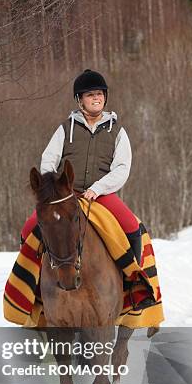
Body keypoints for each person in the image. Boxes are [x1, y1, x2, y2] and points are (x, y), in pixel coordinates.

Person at [22, 69, 142, 263]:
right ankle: (31, 283)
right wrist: (53, 189)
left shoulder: (118, 131)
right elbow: (48, 160)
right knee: (28, 228)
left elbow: (122, 167)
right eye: (90, 95)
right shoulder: (65, 128)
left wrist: (98, 188)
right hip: (66, 194)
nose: (96, 98)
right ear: (80, 100)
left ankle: (135, 283)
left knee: (131, 225)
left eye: (100, 94)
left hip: (100, 195)